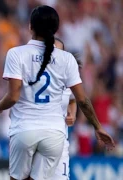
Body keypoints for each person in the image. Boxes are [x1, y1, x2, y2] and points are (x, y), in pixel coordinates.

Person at [0, 5, 115, 180]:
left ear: (30, 27)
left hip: (24, 130)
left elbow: (13, 96)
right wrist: (98, 126)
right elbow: (83, 100)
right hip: (54, 134)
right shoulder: (67, 58)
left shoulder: (16, 54)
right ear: (56, 29)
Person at [32, 38, 81, 180]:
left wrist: (73, 112)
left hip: (59, 143)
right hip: (36, 141)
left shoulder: (66, 77)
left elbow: (72, 99)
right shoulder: (32, 75)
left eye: (60, 51)